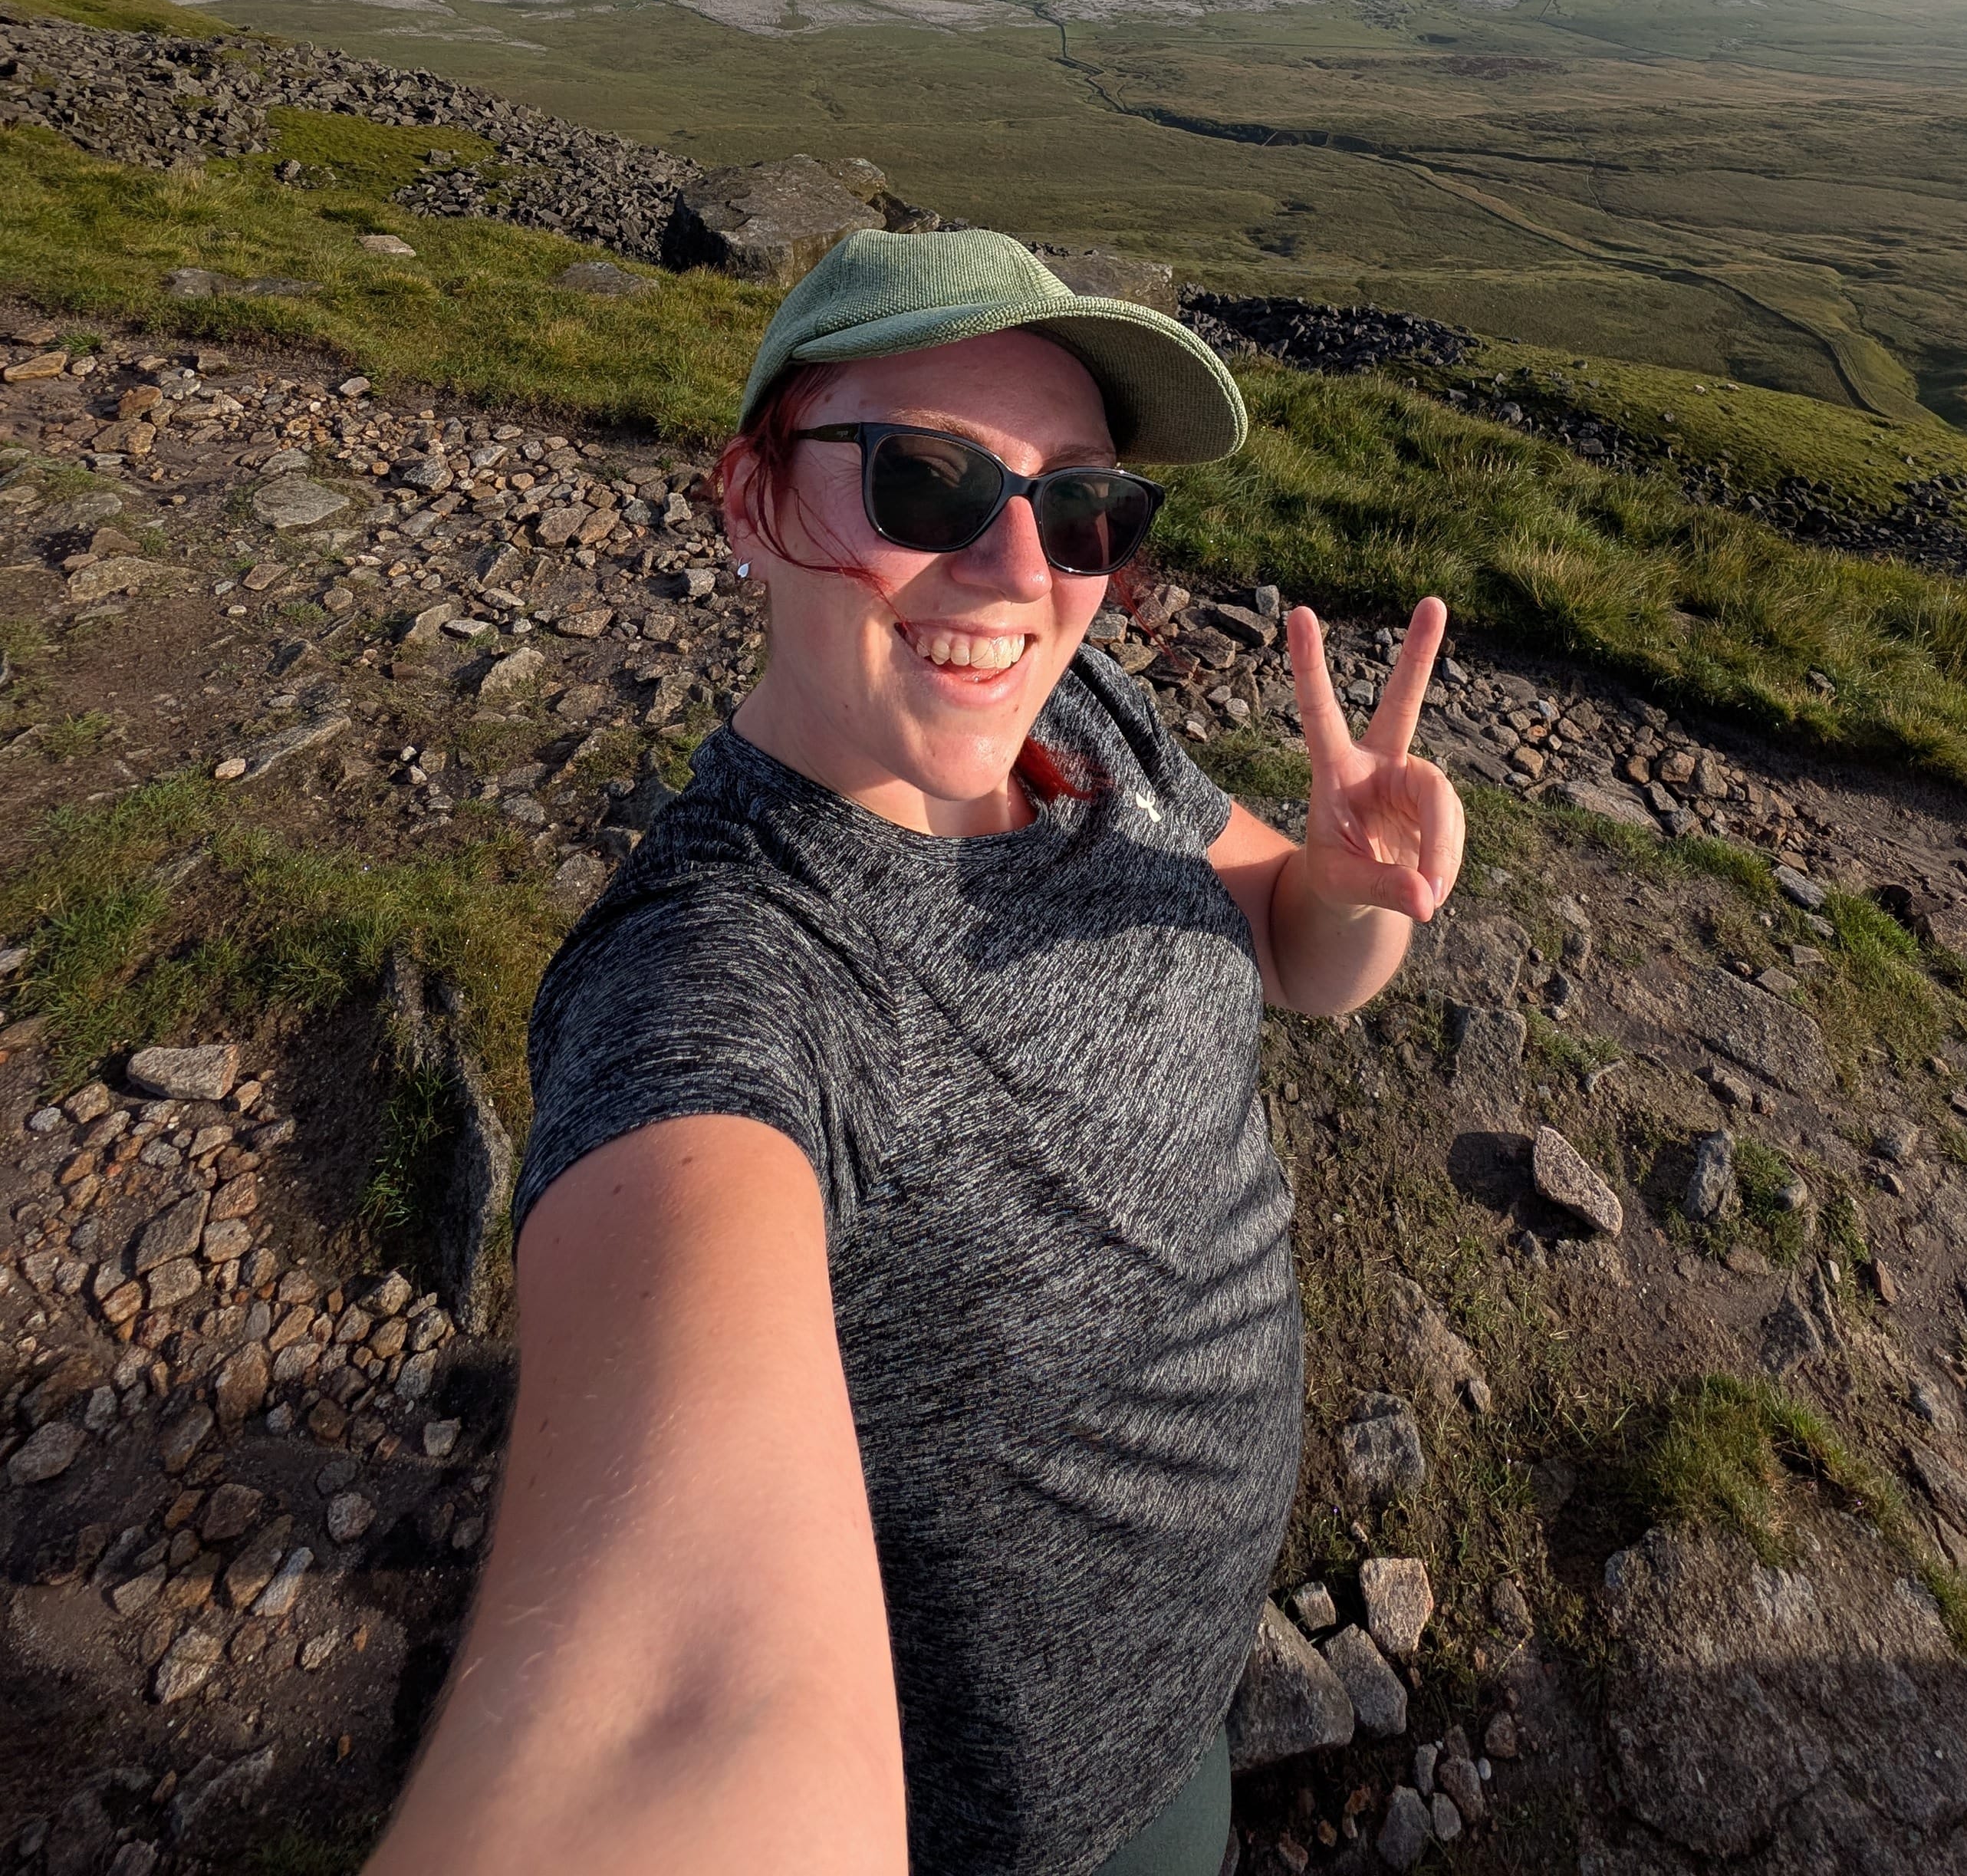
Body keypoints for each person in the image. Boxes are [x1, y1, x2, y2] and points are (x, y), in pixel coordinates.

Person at [369, 229, 1463, 1876]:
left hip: (1184, 1689)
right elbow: (683, 1706)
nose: (1025, 573)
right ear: (751, 500)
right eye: (928, 484)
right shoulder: (720, 977)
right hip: (1035, 1818)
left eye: (1086, 507)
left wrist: (1354, 886)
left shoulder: (1082, 718)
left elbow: (1301, 960)